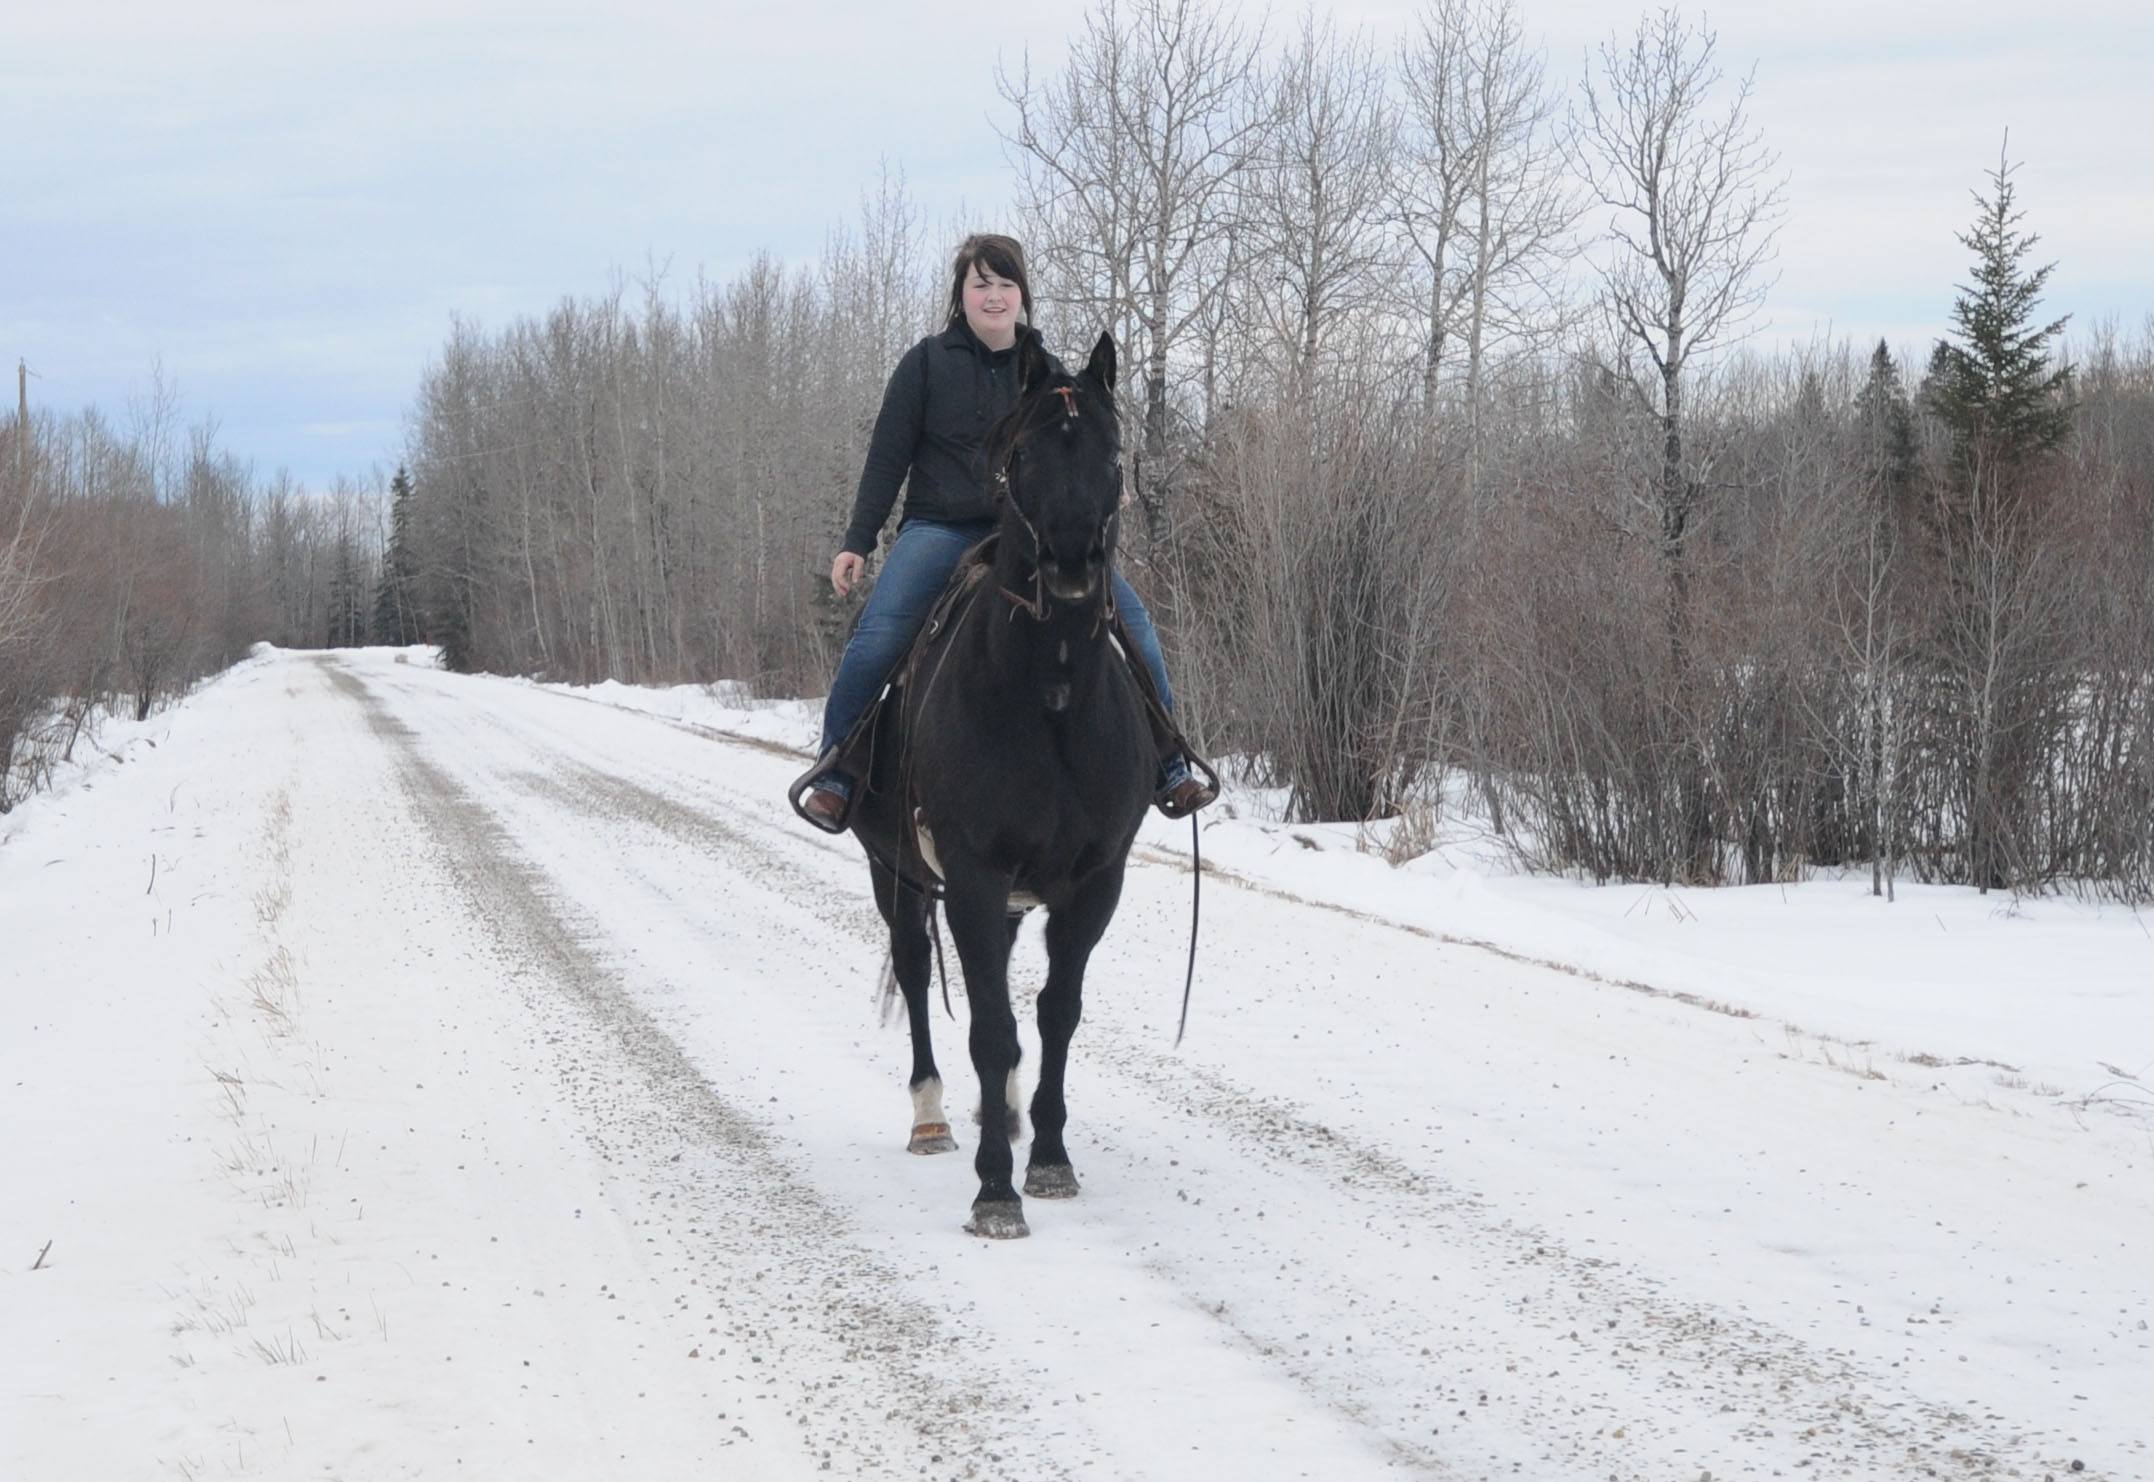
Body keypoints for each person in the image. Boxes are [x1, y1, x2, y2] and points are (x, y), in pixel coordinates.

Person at [800, 232, 1212, 833]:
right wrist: (857, 540)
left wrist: (1100, 488)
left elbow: (1082, 453)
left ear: (1022, 295)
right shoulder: (926, 364)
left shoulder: (1049, 374)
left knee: (1135, 624)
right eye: (981, 284)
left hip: (1031, 534)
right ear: (961, 294)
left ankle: (1170, 763)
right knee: (879, 634)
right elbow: (887, 458)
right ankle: (838, 769)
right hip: (940, 528)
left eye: (1005, 283)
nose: (994, 296)